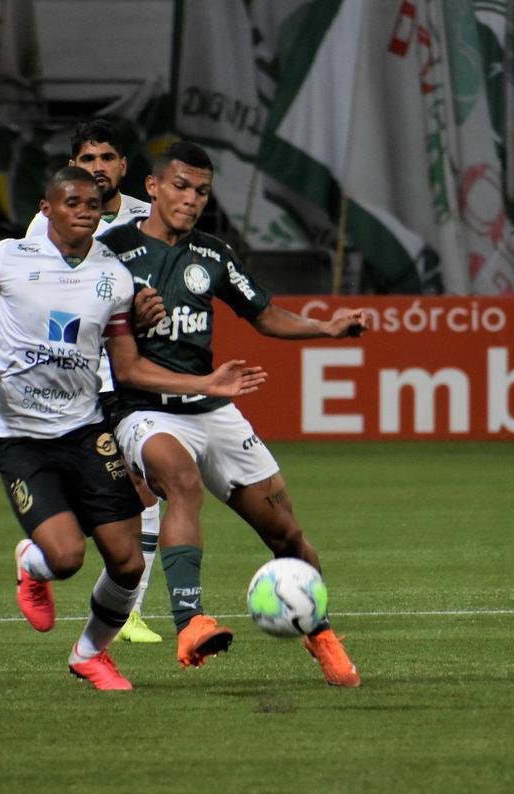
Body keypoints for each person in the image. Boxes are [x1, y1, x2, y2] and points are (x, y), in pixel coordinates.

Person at [0, 165, 265, 691]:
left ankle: (89, 655)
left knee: (127, 561)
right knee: (68, 557)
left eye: (93, 205)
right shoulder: (7, 257)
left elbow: (127, 368)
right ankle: (33, 564)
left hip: (84, 427)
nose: (84, 211)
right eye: (72, 202)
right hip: (18, 434)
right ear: (46, 207)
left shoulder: (115, 276)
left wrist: (203, 381)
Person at [97, 141, 367, 687]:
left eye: (201, 191)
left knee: (287, 535)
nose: (191, 199)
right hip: (143, 411)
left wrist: (327, 328)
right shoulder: (111, 251)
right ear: (152, 187)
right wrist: (123, 314)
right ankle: (189, 621)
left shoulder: (212, 254)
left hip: (211, 408)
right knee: (181, 480)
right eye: (180, 186)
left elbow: (263, 314)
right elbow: (102, 342)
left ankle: (323, 635)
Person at [27, 118, 165, 645]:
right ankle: (39, 560)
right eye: (88, 160)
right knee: (104, 500)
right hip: (75, 376)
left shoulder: (145, 219)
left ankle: (126, 610)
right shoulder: (49, 224)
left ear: (124, 166)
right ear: (73, 167)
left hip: (129, 373)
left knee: (148, 491)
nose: (98, 168)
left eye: (107, 158)